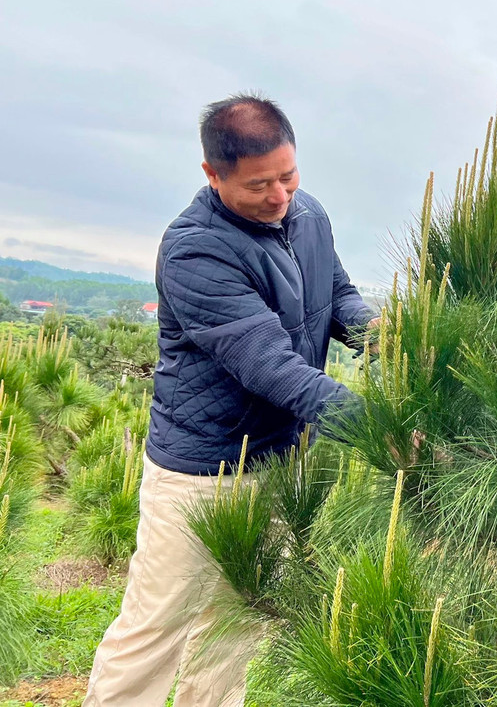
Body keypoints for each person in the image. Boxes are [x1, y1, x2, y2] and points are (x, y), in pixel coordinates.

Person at [84, 95, 377, 707]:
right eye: (258, 185)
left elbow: (340, 298)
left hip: (277, 458)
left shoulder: (308, 215)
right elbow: (268, 365)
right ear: (212, 175)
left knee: (235, 628)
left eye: (288, 176)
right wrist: (374, 422)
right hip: (202, 473)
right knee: (154, 632)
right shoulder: (195, 249)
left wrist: (398, 342)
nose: (278, 197)